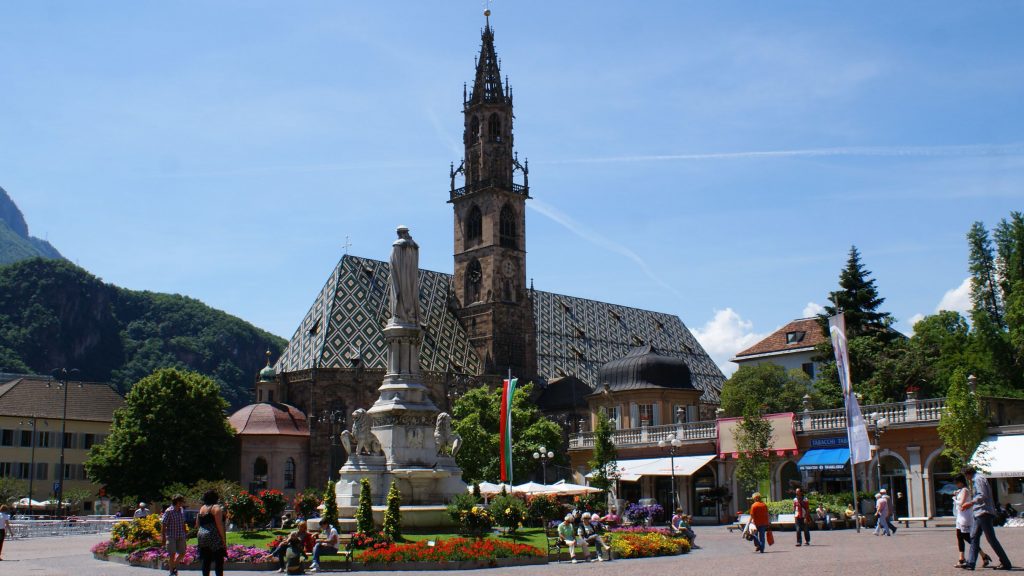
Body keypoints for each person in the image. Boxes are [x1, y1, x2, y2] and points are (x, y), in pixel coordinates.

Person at [962, 465, 1012, 571]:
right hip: (979, 513)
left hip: (983, 512)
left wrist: (970, 503)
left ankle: (1006, 563)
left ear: (968, 474)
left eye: (966, 476)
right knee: (974, 537)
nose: (967, 478)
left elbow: (982, 495)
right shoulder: (978, 478)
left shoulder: (978, 479)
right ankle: (971, 563)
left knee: (991, 539)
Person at [954, 474, 992, 569]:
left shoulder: (965, 490)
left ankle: (983, 555)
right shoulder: (961, 490)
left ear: (961, 482)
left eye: (957, 483)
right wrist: (956, 494)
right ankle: (961, 558)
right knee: (959, 536)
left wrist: (954, 499)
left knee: (968, 537)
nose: (956, 485)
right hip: (960, 515)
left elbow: (962, 503)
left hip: (965, 516)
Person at [195, 490, 227, 576]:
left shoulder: (202, 508)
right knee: (219, 561)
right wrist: (223, 540)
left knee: (206, 560)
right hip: (213, 535)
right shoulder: (216, 508)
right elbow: (219, 525)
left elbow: (197, 524)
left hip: (201, 535)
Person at [161, 494, 187, 576]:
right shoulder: (169, 511)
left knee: (182, 553)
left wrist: (185, 531)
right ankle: (172, 573)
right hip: (171, 536)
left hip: (181, 535)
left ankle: (174, 566)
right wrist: (163, 538)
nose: (183, 503)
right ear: (178, 502)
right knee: (172, 555)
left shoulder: (181, 510)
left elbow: (183, 522)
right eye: (182, 501)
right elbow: (163, 524)